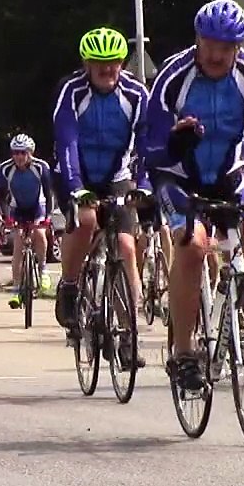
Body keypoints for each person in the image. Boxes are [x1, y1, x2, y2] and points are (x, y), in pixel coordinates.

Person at [145, 0, 244, 392]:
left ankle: (226, 316)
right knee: (192, 246)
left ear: (239, 47)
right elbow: (149, 147)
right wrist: (175, 142)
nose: (217, 55)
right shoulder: (173, 76)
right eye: (209, 45)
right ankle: (183, 353)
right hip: (176, 177)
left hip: (228, 176)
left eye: (227, 47)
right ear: (197, 39)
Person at [51, 26, 150, 369]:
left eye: (113, 63)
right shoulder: (72, 91)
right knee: (87, 220)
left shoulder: (136, 95)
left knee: (125, 247)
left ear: (123, 63)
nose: (107, 70)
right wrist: (77, 187)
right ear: (86, 64)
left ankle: (128, 333)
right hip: (74, 172)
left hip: (117, 176)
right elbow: (67, 141)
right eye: (99, 64)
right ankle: (70, 284)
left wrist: (144, 183)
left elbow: (147, 142)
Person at [0, 133, 55, 309]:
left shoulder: (41, 167)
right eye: (15, 153)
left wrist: (48, 218)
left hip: (38, 205)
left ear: (31, 153)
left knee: (39, 232)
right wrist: (7, 218)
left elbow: (49, 193)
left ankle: (43, 269)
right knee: (18, 245)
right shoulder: (6, 169)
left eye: (23, 153)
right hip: (18, 207)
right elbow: (1, 197)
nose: (19, 157)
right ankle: (16, 288)